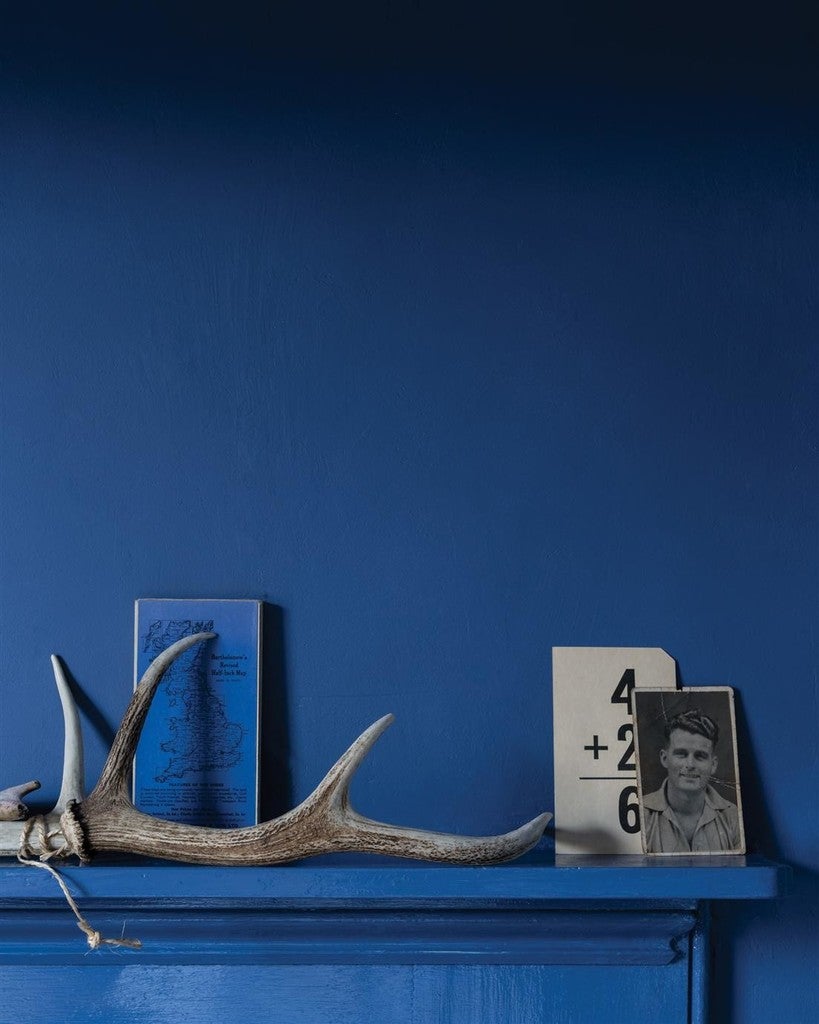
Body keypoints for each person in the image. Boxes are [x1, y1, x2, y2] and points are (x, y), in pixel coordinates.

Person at [642, 708, 741, 853]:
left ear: (713, 765)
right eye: (681, 754)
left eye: (700, 756)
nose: (690, 764)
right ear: (664, 759)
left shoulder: (732, 816)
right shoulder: (642, 814)